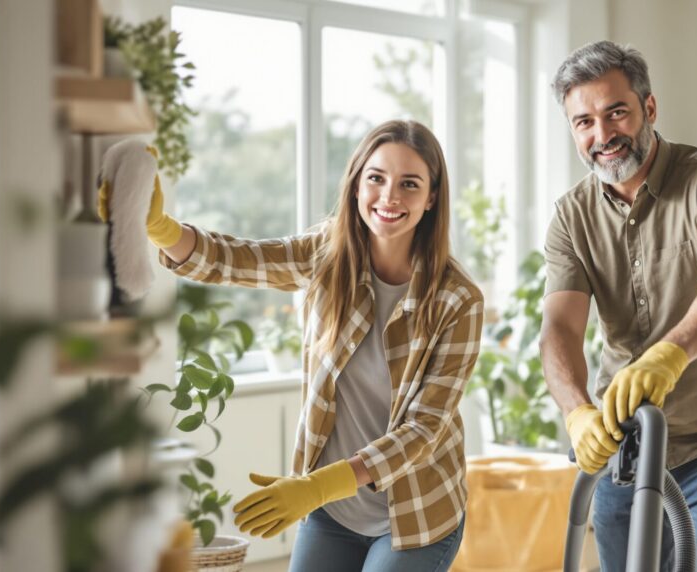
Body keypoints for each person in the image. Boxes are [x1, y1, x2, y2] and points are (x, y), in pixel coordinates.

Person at [102, 120, 482, 571]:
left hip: (416, 513)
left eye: (410, 184)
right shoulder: (328, 254)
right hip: (333, 512)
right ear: (356, 184)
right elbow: (237, 259)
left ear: (432, 198)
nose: (389, 197)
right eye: (376, 178)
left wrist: (318, 485)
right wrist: (162, 229)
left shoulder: (458, 300)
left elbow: (424, 428)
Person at [539, 41, 697, 571]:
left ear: (648, 107)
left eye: (615, 112)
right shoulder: (571, 217)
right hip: (628, 445)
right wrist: (577, 410)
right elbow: (559, 326)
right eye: (584, 122)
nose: (602, 135)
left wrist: (670, 353)